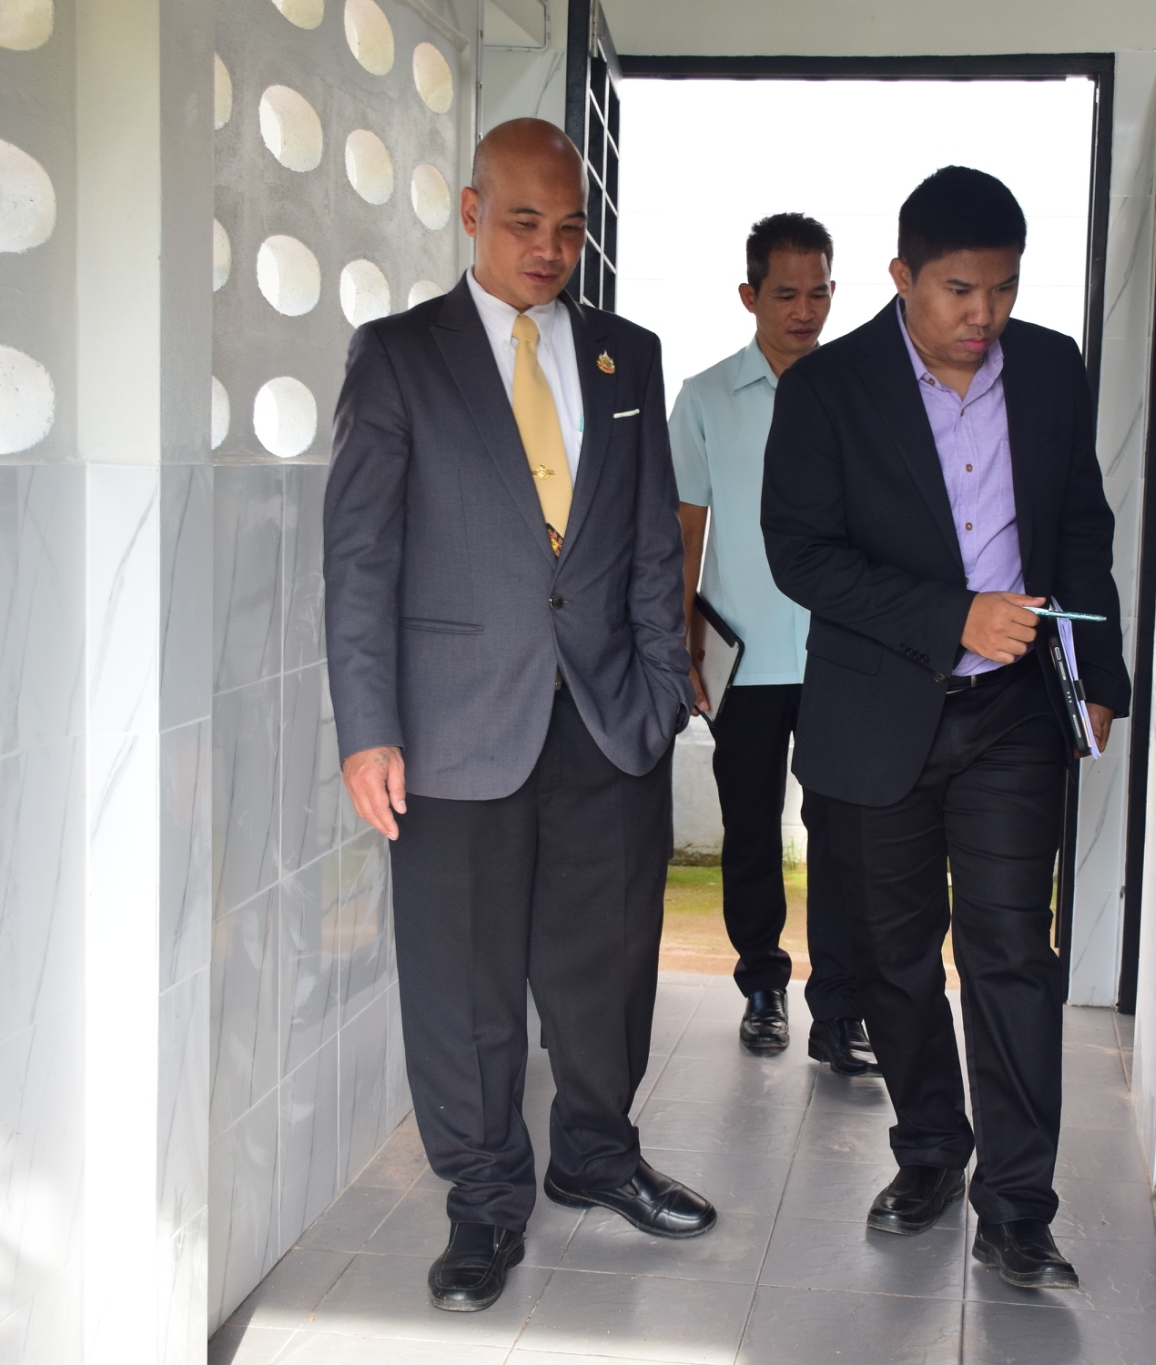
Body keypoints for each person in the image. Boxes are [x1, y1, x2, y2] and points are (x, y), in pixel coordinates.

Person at [324, 117, 714, 1315]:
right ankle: (484, 1200)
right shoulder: (399, 356)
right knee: (465, 981)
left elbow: (651, 543)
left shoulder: (626, 357)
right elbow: (359, 556)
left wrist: (660, 695)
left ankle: (594, 1154)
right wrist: (367, 727)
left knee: (605, 968)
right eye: (524, 221)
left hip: (604, 720)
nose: (548, 248)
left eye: (569, 227)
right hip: (451, 729)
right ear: (471, 212)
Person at [760, 166, 1130, 1291]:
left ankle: (1018, 1208)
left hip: (1013, 716)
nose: (985, 316)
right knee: (893, 956)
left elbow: (1080, 528)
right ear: (902, 277)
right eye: (960, 291)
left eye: (1003, 290)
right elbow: (800, 554)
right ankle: (928, 1149)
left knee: (1014, 955)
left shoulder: (1052, 369)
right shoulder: (827, 388)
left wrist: (1097, 672)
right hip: (879, 716)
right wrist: (949, 615)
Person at [669, 213, 876, 1074]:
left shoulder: (860, 392)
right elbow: (685, 531)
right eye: (785, 293)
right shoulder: (705, 398)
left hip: (840, 655)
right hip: (744, 658)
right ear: (749, 295)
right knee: (750, 828)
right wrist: (681, 643)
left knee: (841, 835)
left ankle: (840, 1009)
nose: (804, 310)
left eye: (818, 292)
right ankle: (762, 984)